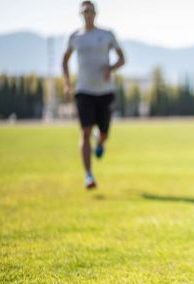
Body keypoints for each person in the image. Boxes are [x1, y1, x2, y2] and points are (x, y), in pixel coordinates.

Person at [62, 0, 125, 189]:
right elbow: (64, 61)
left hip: (105, 92)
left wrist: (111, 68)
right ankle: (88, 175)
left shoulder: (107, 35)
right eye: (84, 11)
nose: (87, 13)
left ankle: (101, 139)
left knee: (104, 132)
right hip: (83, 91)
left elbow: (122, 58)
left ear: (95, 13)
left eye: (90, 10)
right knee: (85, 131)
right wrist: (66, 84)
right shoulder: (75, 37)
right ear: (80, 14)